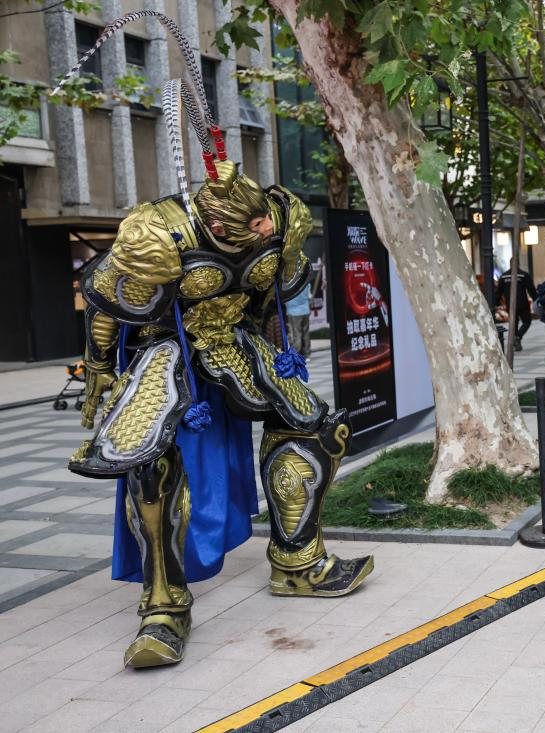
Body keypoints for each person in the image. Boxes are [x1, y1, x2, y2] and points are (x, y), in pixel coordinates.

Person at [59, 11, 373, 669]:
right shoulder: (158, 233)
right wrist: (100, 370)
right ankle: (163, 603)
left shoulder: (280, 217)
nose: (261, 234)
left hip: (236, 340)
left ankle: (297, 559)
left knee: (312, 424)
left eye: (264, 227)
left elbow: (283, 286)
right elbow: (109, 302)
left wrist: (285, 353)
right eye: (246, 230)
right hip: (163, 350)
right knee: (149, 456)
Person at [498, 265, 537, 351]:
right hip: (522, 303)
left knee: (514, 324)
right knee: (527, 321)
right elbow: (531, 288)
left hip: (510, 304)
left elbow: (499, 291)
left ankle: (516, 340)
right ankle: (518, 337)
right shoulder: (523, 275)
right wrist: (535, 298)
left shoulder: (504, 276)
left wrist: (496, 302)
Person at [285, 282, 313, 358]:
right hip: (305, 310)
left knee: (296, 333)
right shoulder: (306, 283)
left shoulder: (289, 284)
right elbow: (310, 296)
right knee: (305, 333)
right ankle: (307, 353)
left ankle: (296, 353)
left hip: (293, 312)